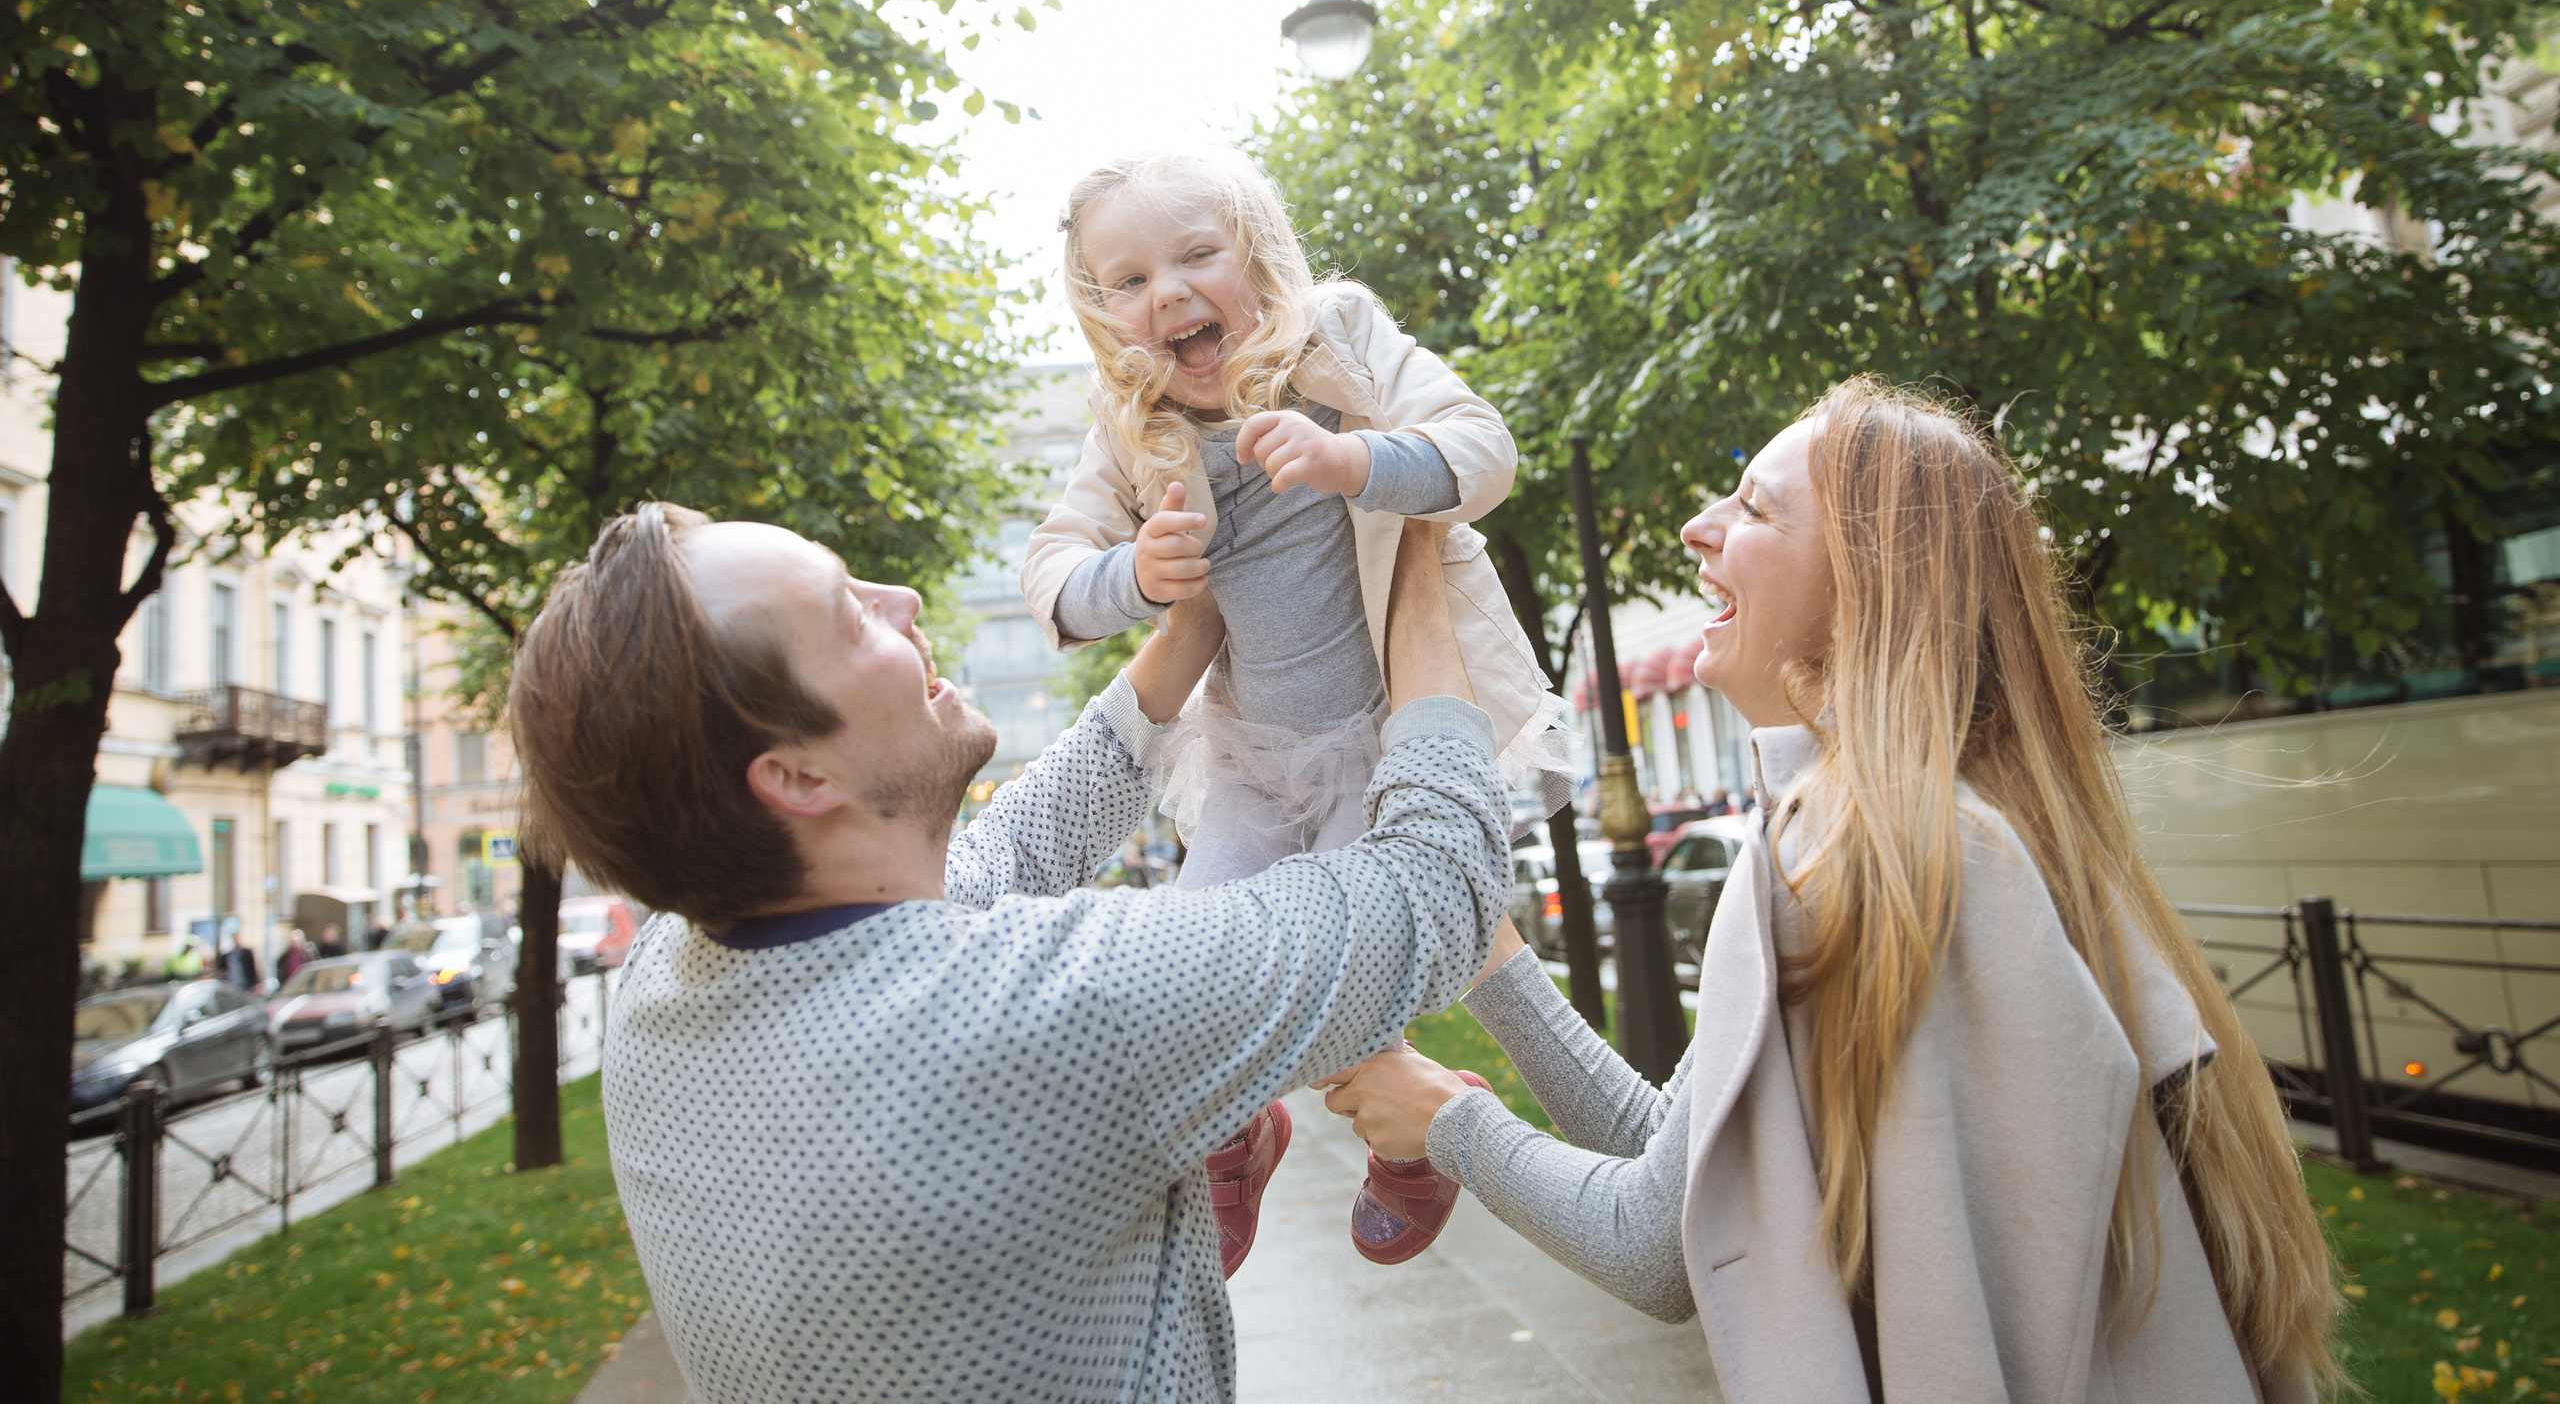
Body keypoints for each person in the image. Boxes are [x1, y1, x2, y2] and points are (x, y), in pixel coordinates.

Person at [1318, 379, 2339, 1403]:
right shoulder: (1946, 826)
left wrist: (1444, 1121)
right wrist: (1491, 955)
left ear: (1867, 587)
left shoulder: (1846, 845)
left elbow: (1654, 1248)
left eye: (1754, 509)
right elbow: (1692, 1172)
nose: (1697, 526)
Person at [505, 503, 1509, 1404]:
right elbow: (1439, 886)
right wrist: (1407, 549)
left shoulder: (664, 980)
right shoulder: (1048, 1014)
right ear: (797, 776)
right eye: (851, 617)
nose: (898, 598)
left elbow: (1009, 850)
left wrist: (1196, 625)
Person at [1023, 147, 1573, 1266]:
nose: (1167, 293)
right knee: (1189, 965)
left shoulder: (1339, 336)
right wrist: (1137, 574)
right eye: (1126, 281)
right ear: (1103, 316)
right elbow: (1051, 573)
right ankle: (1236, 1130)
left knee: (1364, 970)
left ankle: (1413, 1136)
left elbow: (1483, 447)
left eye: (1195, 255)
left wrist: (1353, 458)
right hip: (1248, 756)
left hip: (1383, 746)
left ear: (1257, 257)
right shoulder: (1126, 424)